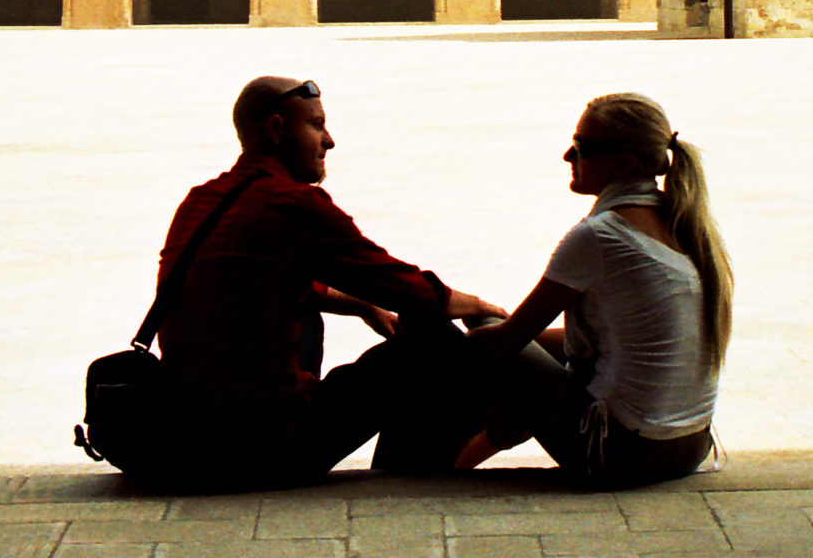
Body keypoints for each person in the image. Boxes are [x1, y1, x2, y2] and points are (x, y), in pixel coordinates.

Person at [147, 75, 507, 484]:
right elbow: (408, 290)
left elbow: (249, 276)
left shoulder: (202, 199)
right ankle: (407, 477)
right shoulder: (293, 204)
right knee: (437, 342)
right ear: (278, 129)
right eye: (316, 125)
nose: (329, 140)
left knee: (306, 307)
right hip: (262, 446)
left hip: (191, 431)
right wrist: (480, 307)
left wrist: (360, 305)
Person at [457, 92, 733, 485]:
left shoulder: (601, 236)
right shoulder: (683, 225)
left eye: (582, 148)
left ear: (623, 163)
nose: (568, 157)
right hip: (688, 449)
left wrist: (440, 330)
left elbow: (506, 343)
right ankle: (468, 457)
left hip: (620, 455)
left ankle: (442, 461)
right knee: (529, 354)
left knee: (483, 331)